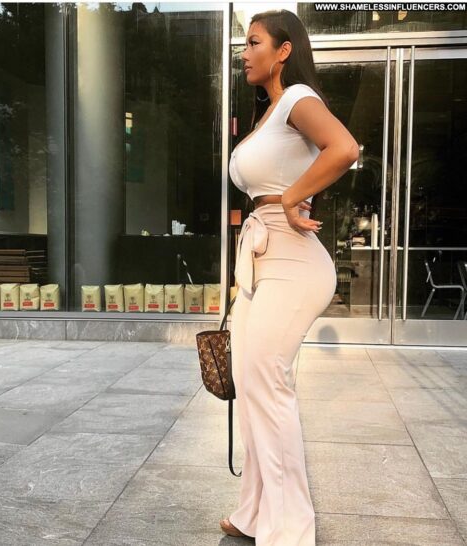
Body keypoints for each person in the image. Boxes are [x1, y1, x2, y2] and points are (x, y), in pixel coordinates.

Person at [220, 9, 359, 546]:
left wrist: (294, 196)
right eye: (244, 43)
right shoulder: (269, 113)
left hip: (294, 260)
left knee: (268, 383)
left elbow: (344, 148)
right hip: (263, 257)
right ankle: (256, 511)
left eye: (254, 42)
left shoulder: (298, 97)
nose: (244, 52)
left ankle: (290, 529)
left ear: (283, 51)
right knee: (251, 382)